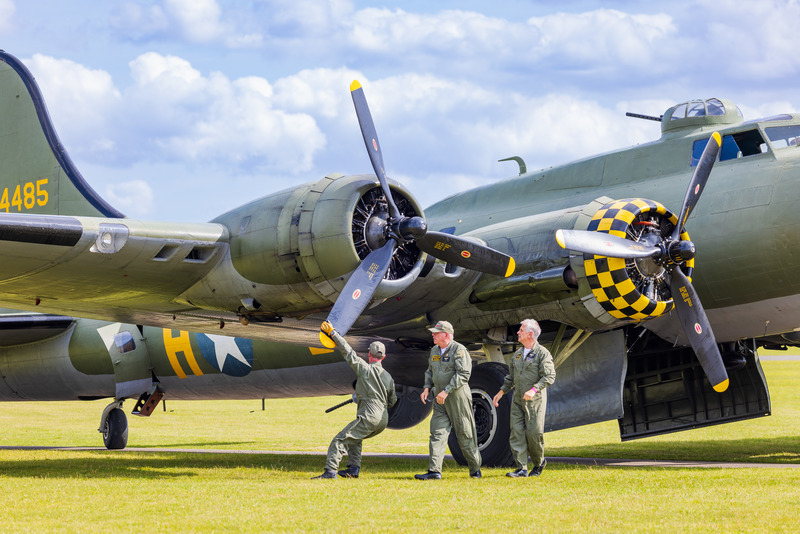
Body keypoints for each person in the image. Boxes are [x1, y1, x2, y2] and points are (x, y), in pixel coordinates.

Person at [312, 321, 397, 479]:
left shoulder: (365, 369)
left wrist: (334, 333)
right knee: (355, 439)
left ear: (369, 354)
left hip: (369, 417)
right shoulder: (389, 377)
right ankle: (353, 469)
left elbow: (348, 353)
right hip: (383, 420)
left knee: (339, 440)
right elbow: (392, 401)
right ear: (383, 357)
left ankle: (330, 471)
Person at [415, 320, 482, 480]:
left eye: (436, 333)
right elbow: (430, 371)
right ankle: (434, 471)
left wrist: (446, 391)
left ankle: (475, 469)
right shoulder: (434, 350)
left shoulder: (459, 350)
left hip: (457, 398)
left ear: (446, 335)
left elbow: (464, 374)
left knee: (465, 434)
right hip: (439, 398)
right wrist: (426, 387)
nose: (433, 335)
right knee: (437, 432)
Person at [493, 319, 556, 477]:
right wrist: (501, 392)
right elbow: (511, 378)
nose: (518, 332)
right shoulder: (518, 354)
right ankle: (521, 468)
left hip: (534, 401)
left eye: (521, 330)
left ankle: (538, 462)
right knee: (517, 433)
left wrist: (534, 390)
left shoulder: (542, 353)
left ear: (530, 334)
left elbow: (549, 376)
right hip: (517, 400)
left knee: (534, 434)